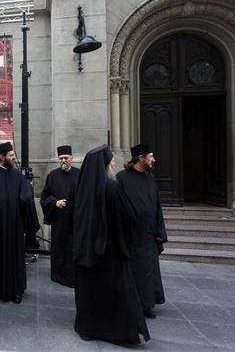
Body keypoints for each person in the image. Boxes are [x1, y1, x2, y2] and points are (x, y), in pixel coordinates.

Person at [72, 145, 150, 345]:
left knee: (89, 293)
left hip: (86, 252)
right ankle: (114, 331)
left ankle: (87, 328)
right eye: (111, 160)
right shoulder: (112, 188)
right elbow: (127, 218)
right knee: (113, 293)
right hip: (109, 253)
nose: (114, 163)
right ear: (104, 165)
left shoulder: (81, 188)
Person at [0, 142, 39, 304]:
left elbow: (27, 200)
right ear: (2, 157)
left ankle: (15, 291)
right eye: (10, 155)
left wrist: (28, 224)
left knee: (14, 260)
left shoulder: (18, 175)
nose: (13, 158)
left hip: (14, 228)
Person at [117, 144, 167, 319]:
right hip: (131, 235)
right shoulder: (121, 178)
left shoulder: (150, 179)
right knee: (134, 271)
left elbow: (157, 207)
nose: (153, 160)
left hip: (148, 234)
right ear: (141, 157)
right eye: (151, 156)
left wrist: (160, 231)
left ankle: (147, 304)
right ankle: (133, 303)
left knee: (148, 271)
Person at [40, 145, 80, 288]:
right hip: (59, 220)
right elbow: (45, 197)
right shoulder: (52, 176)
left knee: (72, 248)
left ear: (71, 159)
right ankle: (58, 275)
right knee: (59, 248)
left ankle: (73, 276)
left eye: (66, 158)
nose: (63, 160)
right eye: (61, 158)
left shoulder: (79, 174)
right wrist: (55, 202)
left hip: (74, 220)